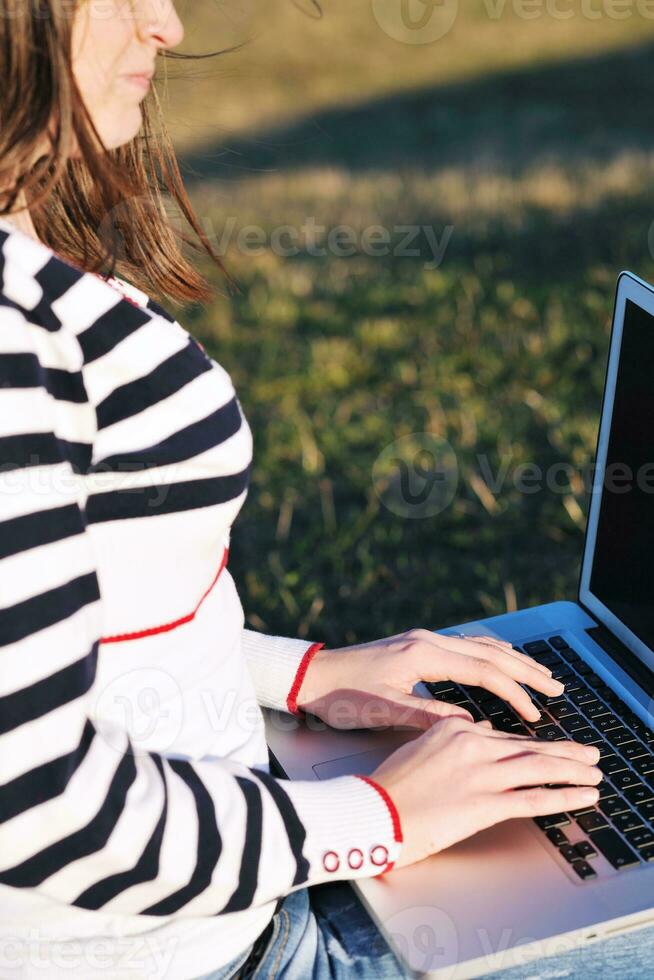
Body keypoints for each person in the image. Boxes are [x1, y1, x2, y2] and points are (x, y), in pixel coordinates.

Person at [0, 3, 605, 979]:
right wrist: (380, 817)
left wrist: (304, 677)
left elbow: (49, 639)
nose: (167, 24)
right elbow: (29, 793)